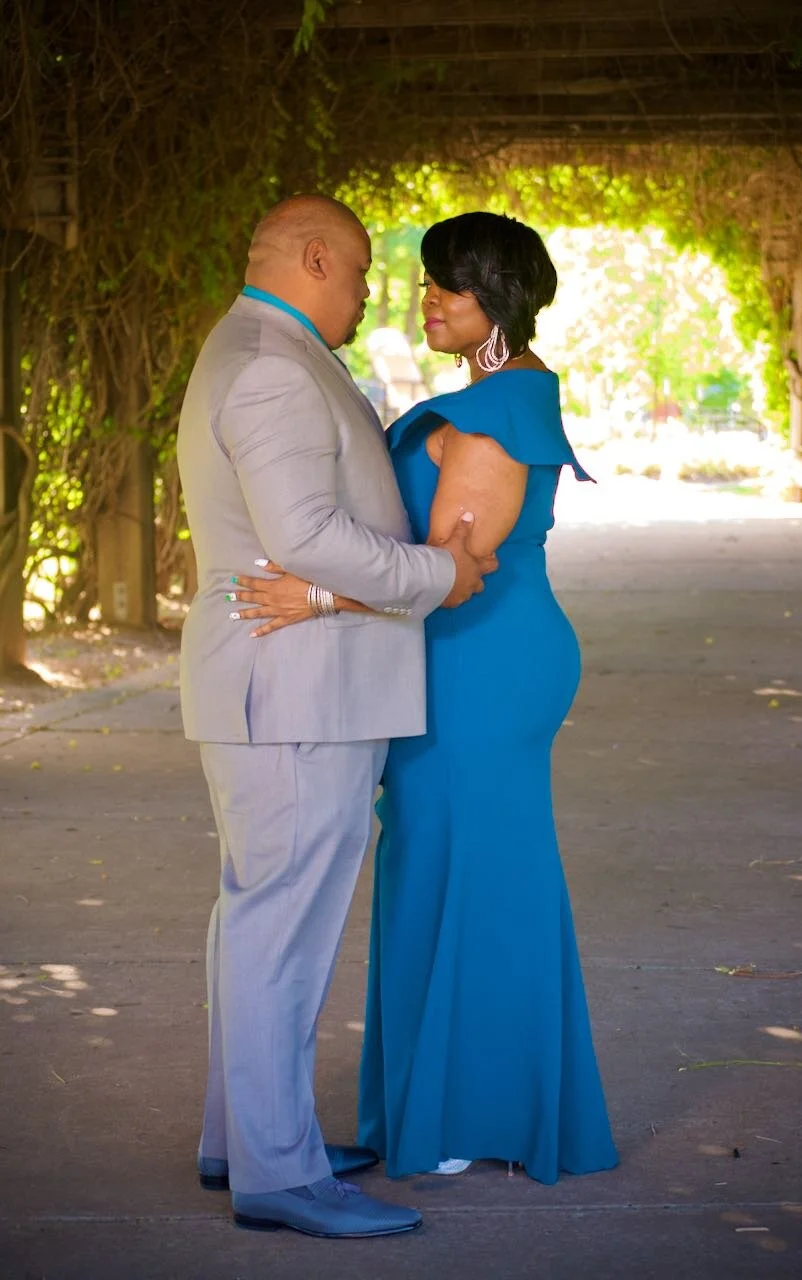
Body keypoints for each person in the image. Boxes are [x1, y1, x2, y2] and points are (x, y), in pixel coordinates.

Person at [230, 211, 618, 1186]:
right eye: (423, 283)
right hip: (447, 657)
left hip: (480, 658)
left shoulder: (500, 410)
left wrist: (313, 593)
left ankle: (474, 1111)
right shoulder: (484, 395)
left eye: (443, 285)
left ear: (493, 296)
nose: (422, 300)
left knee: (473, 874)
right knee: (436, 868)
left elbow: (457, 569)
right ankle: (439, 1098)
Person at [176, 195, 496, 1239]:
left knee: (254, 913)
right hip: (296, 685)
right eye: (359, 273)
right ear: (314, 258)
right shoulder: (272, 362)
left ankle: (243, 1133)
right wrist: (438, 572)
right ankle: (279, 1170)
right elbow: (305, 534)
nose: (367, 293)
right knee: (282, 926)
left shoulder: (257, 344)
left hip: (281, 681)